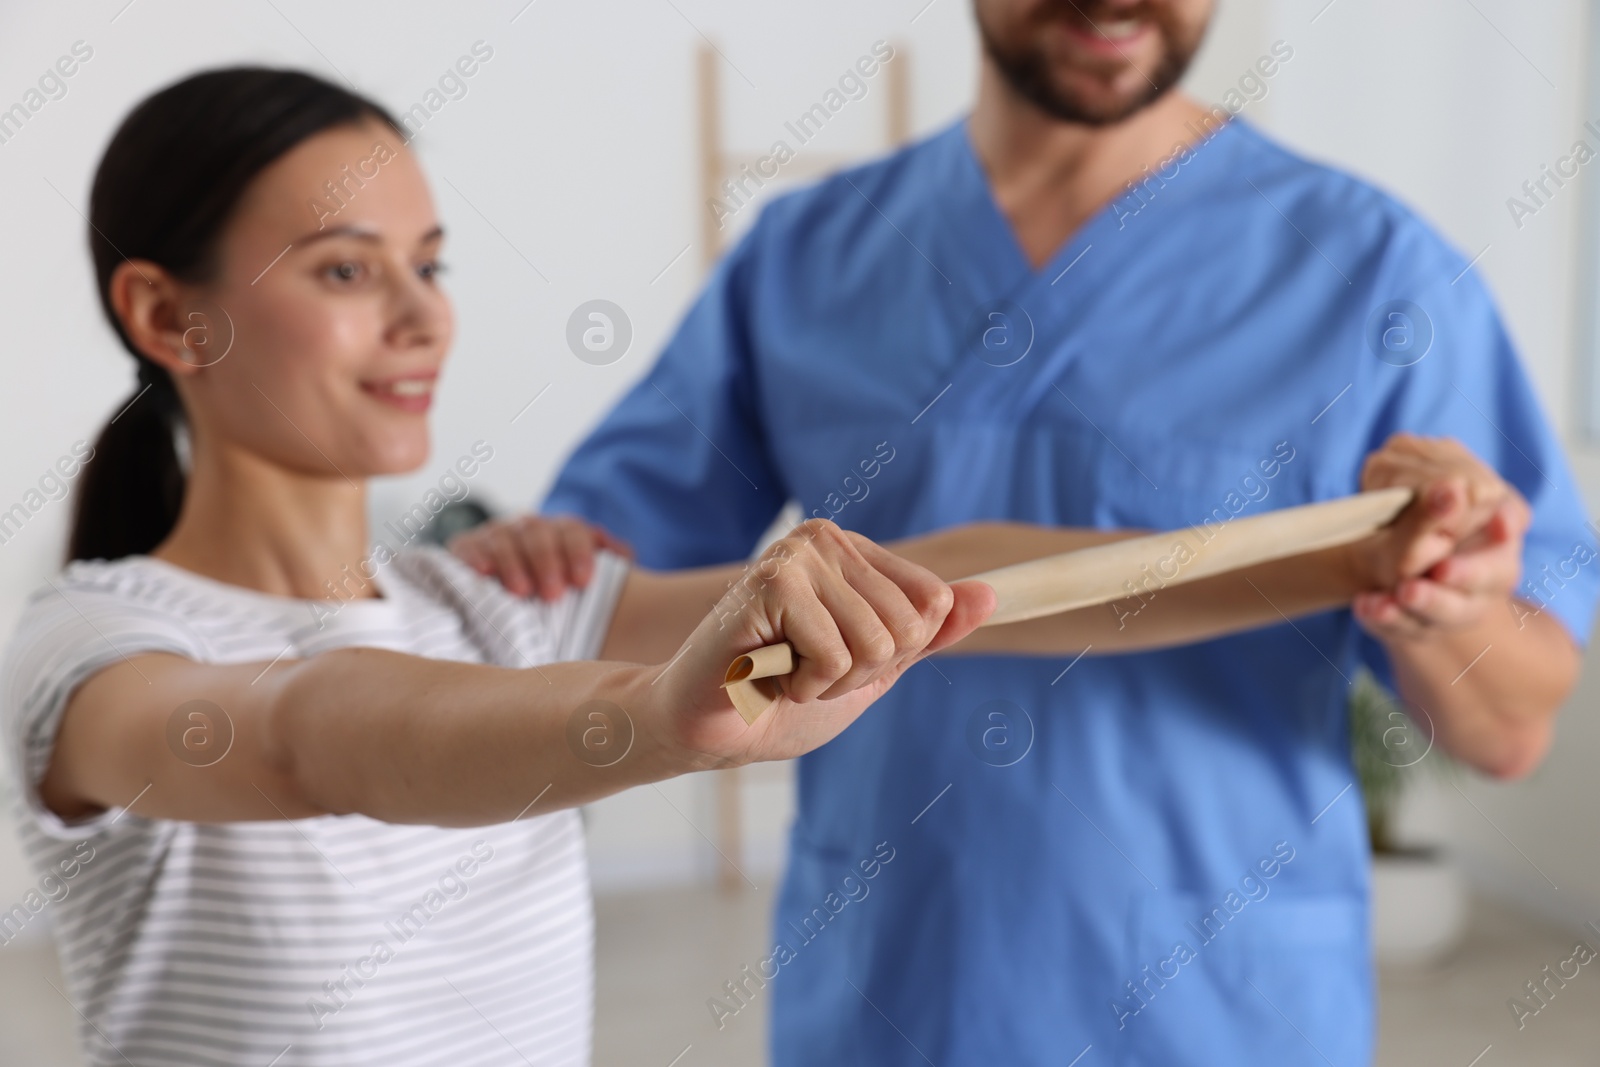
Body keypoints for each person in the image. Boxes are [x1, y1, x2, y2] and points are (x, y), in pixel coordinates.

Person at [0, 64, 1472, 1067]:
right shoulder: (94, 644)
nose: (421, 318)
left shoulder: (489, 602)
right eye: (342, 268)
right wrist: (651, 718)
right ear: (167, 313)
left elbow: (966, 570)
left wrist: (1357, 554)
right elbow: (313, 731)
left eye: (430, 263)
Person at [454, 1, 1600, 1062]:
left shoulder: (1371, 273)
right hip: (887, 990)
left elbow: (1508, 730)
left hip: (1223, 1010)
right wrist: (529, 563)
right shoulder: (806, 258)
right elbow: (602, 604)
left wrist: (1449, 605)